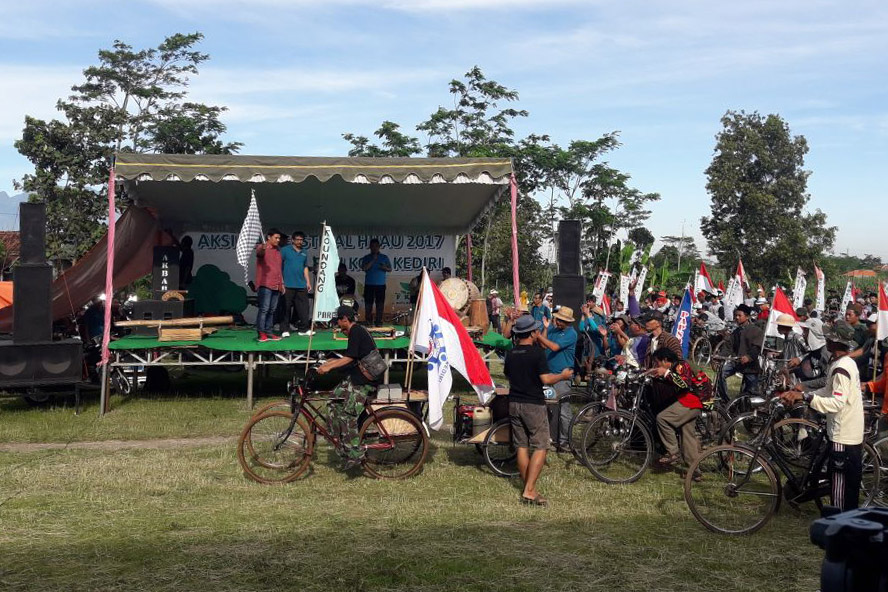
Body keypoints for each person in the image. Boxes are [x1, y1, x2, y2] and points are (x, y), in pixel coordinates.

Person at [783, 321, 864, 511]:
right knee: (845, 486)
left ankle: (839, 524)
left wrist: (808, 398)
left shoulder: (841, 369)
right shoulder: (842, 363)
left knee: (840, 487)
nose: (826, 340)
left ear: (835, 342)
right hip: (845, 432)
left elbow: (836, 402)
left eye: (829, 337)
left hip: (843, 435)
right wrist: (803, 395)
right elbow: (827, 390)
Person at [504, 314, 574, 506]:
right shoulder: (537, 353)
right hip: (532, 404)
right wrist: (562, 375)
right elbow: (546, 379)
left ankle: (529, 487)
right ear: (533, 333)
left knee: (521, 446)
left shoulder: (511, 353)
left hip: (514, 402)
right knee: (541, 445)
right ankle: (529, 490)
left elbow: (508, 375)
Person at [316, 305, 381, 468]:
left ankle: (355, 453)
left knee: (348, 415)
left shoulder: (356, 331)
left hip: (364, 382)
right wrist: (331, 362)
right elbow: (350, 357)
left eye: (338, 321)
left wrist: (330, 366)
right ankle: (338, 440)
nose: (337, 324)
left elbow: (350, 358)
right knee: (333, 400)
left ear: (345, 319)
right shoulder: (354, 331)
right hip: (356, 377)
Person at [648, 347, 702, 475]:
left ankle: (673, 452)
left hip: (693, 400)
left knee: (662, 418)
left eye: (658, 362)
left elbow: (684, 384)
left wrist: (666, 374)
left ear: (666, 360)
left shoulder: (681, 365)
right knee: (687, 436)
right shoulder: (675, 367)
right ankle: (694, 471)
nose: (657, 365)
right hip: (695, 399)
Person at [537, 306, 578, 450]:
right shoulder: (554, 329)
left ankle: (565, 441)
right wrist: (546, 329)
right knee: (548, 408)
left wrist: (538, 335)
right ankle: (551, 439)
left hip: (562, 376)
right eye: (558, 319)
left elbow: (553, 347)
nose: (558, 322)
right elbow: (543, 345)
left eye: (561, 321)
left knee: (563, 411)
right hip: (549, 374)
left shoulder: (571, 334)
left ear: (568, 322)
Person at [716, 304, 763, 403]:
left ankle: (750, 410)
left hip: (750, 366)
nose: (736, 318)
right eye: (736, 315)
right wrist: (719, 356)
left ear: (747, 317)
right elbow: (728, 347)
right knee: (722, 373)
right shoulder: (736, 332)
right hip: (737, 362)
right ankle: (725, 400)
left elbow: (757, 348)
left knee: (750, 392)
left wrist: (749, 357)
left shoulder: (756, 330)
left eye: (739, 315)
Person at [280, 231, 312, 337]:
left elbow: (305, 267)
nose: (299, 241)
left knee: (304, 308)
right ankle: (285, 329)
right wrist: (280, 281)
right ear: (292, 240)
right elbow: (278, 266)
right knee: (286, 308)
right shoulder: (285, 250)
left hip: (301, 285)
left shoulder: (304, 252)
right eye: (297, 239)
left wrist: (308, 282)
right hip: (287, 284)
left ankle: (303, 329)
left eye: (301, 240)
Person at [255, 228, 284, 342]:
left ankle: (269, 332)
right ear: (269, 237)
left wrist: (282, 283)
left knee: (272, 310)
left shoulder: (278, 251)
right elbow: (259, 253)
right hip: (265, 284)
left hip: (276, 284)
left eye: (279, 238)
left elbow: (279, 269)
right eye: (276, 238)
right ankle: (261, 332)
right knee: (264, 309)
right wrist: (262, 247)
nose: (278, 240)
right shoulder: (262, 247)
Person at [360, 238, 392, 325]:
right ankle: (368, 321)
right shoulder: (366, 258)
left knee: (380, 304)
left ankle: (378, 322)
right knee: (368, 304)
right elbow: (364, 268)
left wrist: (384, 267)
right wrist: (373, 260)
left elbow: (390, 269)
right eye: (372, 246)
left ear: (379, 247)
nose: (374, 248)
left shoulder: (384, 257)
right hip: (369, 285)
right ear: (370, 247)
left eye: (376, 246)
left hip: (380, 285)